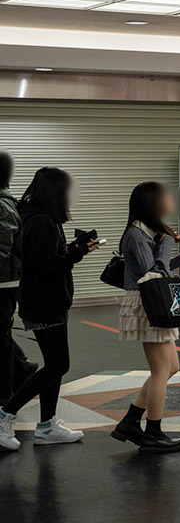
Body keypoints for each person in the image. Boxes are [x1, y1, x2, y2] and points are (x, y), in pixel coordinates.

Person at [0, 168, 99, 451]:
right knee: (58, 365)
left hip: (46, 302)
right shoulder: (42, 221)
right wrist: (77, 253)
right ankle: (5, 414)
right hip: (45, 303)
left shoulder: (36, 217)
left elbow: (44, 258)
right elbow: (47, 267)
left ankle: (47, 425)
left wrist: (71, 249)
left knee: (54, 365)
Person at [110, 182, 180, 454]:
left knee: (171, 367)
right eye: (164, 197)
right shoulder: (136, 234)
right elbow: (153, 271)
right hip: (148, 304)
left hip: (154, 301)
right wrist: (166, 242)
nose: (170, 201)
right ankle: (153, 432)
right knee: (161, 371)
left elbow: (162, 268)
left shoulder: (147, 231)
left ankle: (130, 421)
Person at [0, 153, 20, 408]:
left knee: (1, 339)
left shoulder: (3, 206)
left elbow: (2, 248)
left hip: (4, 282)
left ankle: (5, 392)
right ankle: (23, 368)